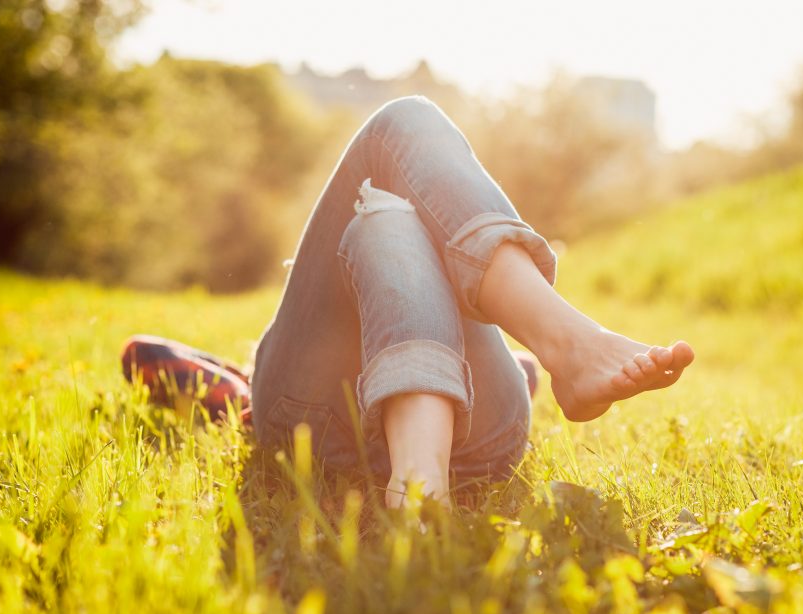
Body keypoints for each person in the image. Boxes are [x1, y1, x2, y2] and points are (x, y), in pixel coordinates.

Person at [244, 94, 694, 509]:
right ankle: (569, 343)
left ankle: (421, 476)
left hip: (333, 422)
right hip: (462, 436)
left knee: (387, 214)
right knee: (391, 187)